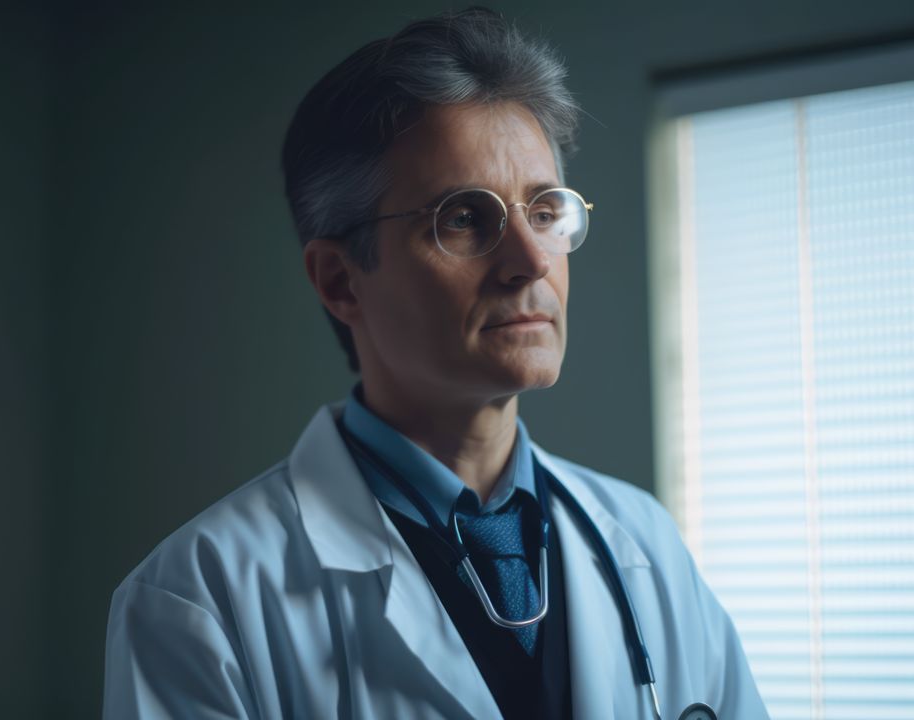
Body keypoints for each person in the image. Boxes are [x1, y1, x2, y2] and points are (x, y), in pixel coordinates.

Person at [103, 8, 769, 719]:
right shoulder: (201, 597)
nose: (532, 261)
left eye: (544, 211)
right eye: (464, 218)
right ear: (339, 280)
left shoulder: (644, 542)